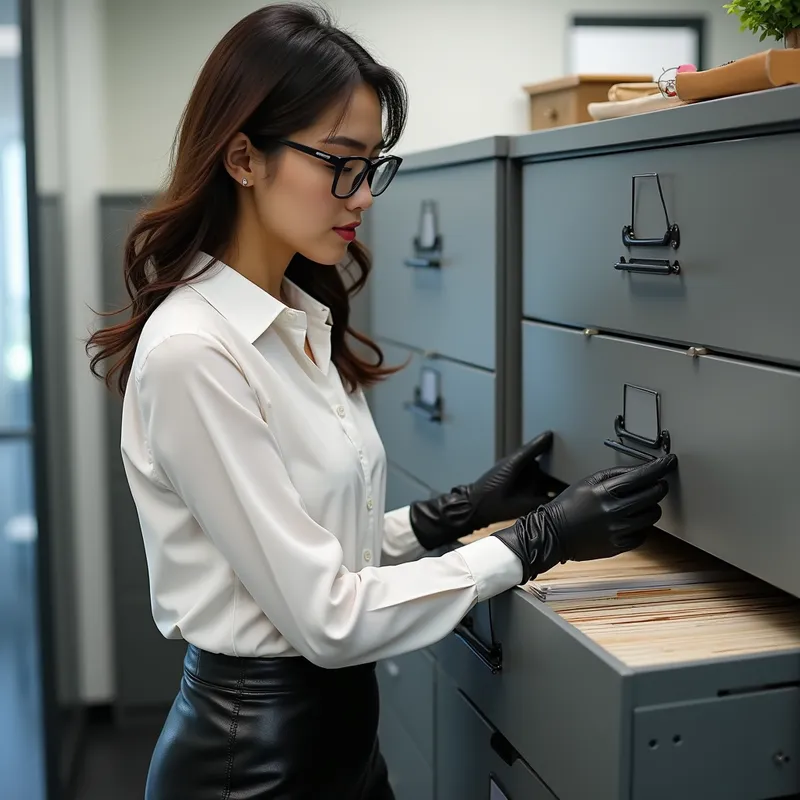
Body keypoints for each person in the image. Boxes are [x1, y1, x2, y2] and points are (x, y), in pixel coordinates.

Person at [86, 4, 677, 799]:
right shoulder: (196, 353)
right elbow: (327, 616)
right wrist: (536, 540)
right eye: (341, 162)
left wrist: (453, 512)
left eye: (373, 167)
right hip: (252, 767)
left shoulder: (296, 320)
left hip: (341, 739)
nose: (363, 196)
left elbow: (317, 546)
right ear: (242, 159)